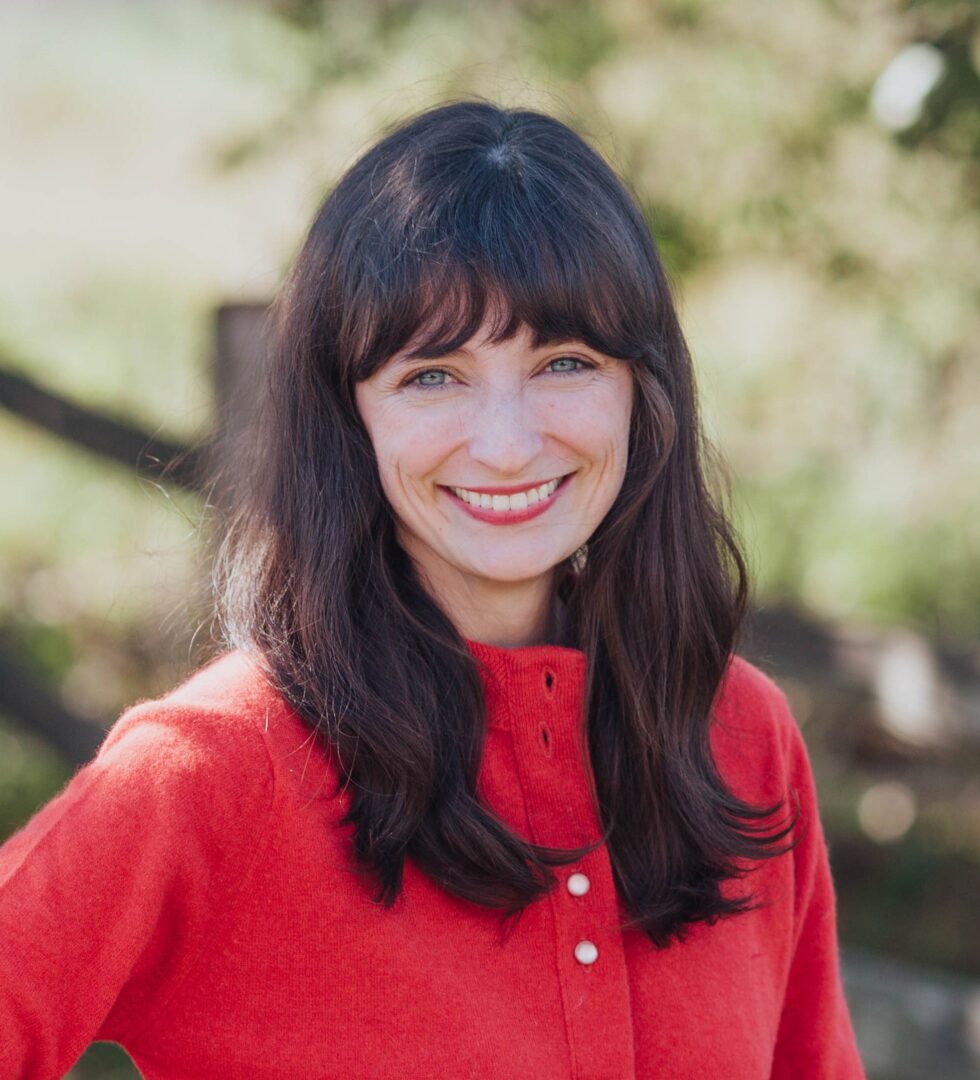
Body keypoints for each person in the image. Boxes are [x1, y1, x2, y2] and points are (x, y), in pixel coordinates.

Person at [0, 99, 866, 1079]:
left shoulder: (739, 737)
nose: (505, 443)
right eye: (432, 376)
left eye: (564, 363)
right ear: (347, 411)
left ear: (642, 392)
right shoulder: (212, 767)